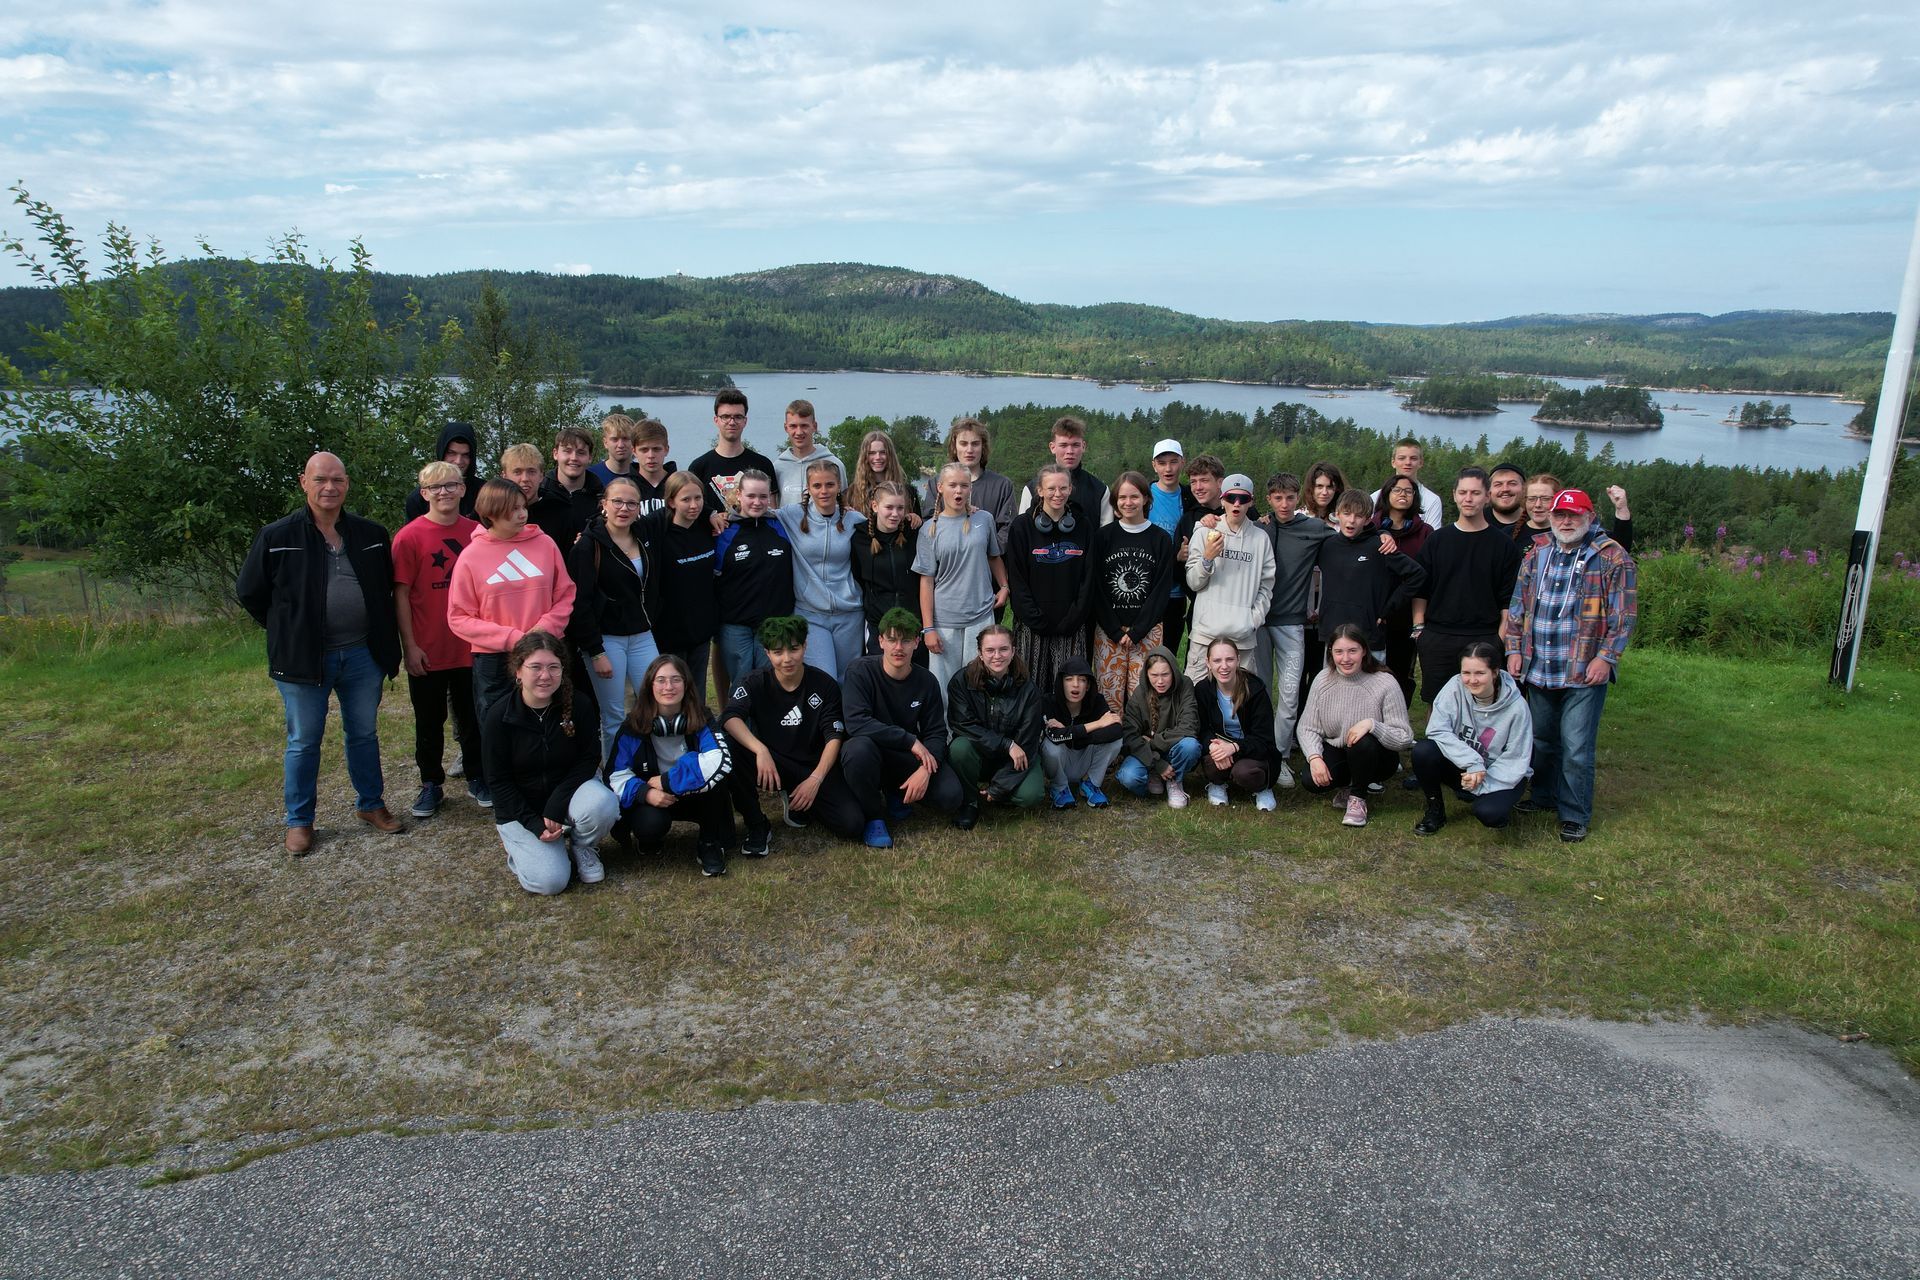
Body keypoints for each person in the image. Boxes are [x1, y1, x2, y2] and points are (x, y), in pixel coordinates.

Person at [237, 451, 404, 853]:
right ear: (303, 482)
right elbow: (250, 592)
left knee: (363, 733)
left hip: (362, 654)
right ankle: (300, 821)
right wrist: (288, 629)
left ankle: (371, 804)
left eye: (337, 480)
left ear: (347, 484)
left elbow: (385, 588)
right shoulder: (277, 537)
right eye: (320, 480)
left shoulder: (371, 534)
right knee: (304, 740)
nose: (330, 487)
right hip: (304, 659)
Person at [1504, 488, 1637, 843]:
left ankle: (1574, 814)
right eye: (1560, 515)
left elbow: (1624, 617)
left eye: (1573, 515)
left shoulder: (1611, 556)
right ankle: (1543, 796)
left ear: (1589, 518)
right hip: (1539, 665)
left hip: (1583, 669)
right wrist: (1514, 650)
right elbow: (1517, 607)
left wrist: (1606, 658)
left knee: (1576, 747)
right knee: (1542, 739)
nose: (1566, 521)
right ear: (1550, 517)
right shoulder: (1538, 553)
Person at [448, 477, 577, 763]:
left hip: (545, 649)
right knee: (498, 723)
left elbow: (566, 593)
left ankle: (551, 773)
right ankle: (501, 779)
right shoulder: (471, 556)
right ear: (491, 513)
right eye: (513, 509)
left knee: (551, 716)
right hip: (495, 658)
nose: (522, 514)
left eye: (523, 507)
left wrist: (543, 631)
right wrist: (514, 639)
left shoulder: (545, 544)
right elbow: (459, 617)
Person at [483, 630, 621, 894]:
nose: (545, 675)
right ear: (518, 671)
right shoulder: (499, 716)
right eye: (535, 667)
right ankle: (519, 845)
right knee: (551, 882)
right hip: (522, 809)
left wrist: (556, 806)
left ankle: (583, 847)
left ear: (562, 670)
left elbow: (589, 759)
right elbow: (498, 782)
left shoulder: (579, 704)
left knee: (603, 803)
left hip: (566, 797)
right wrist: (534, 824)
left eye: (553, 667)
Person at [720, 615, 865, 845]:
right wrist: (760, 750)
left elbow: (834, 736)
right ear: (767, 653)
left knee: (852, 824)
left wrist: (815, 780)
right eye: (778, 652)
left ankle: (801, 801)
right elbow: (730, 718)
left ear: (805, 646)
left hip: (814, 766)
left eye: (794, 649)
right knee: (729, 747)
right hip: (774, 762)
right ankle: (756, 823)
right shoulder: (754, 682)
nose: (787, 659)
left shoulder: (824, 684)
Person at [391, 460, 483, 819]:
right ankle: (431, 782)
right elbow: (401, 595)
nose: (443, 492)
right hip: (428, 647)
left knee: (473, 717)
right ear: (424, 493)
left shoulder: (477, 532)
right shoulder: (409, 537)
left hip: (470, 645)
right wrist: (410, 646)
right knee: (429, 721)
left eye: (451, 485)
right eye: (434, 487)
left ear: (463, 489)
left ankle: (478, 775)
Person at [840, 608, 965, 847]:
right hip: (872, 751)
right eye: (892, 640)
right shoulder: (859, 671)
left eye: (906, 640)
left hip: (905, 756)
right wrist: (910, 740)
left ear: (917, 643)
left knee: (950, 796)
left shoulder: (926, 680)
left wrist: (925, 770)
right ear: (880, 641)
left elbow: (936, 732)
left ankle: (897, 792)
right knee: (857, 750)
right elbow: (856, 722)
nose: (899, 648)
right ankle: (874, 817)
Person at [606, 653, 738, 877]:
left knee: (718, 785)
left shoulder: (702, 718)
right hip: (654, 798)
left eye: (676, 679)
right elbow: (614, 776)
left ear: (686, 685)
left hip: (693, 794)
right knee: (649, 825)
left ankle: (709, 844)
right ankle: (649, 838)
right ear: (650, 686)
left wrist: (668, 781)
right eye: (661, 680)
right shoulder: (633, 726)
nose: (668, 687)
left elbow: (719, 760)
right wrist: (645, 793)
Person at [566, 475, 660, 758]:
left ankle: (650, 764)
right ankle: (615, 771)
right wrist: (596, 651)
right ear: (604, 504)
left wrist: (712, 513)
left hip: (642, 635)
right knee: (614, 714)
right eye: (617, 501)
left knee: (655, 702)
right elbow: (579, 604)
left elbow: (678, 508)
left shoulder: (644, 534)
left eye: (631, 503)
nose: (624, 508)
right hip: (607, 640)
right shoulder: (587, 546)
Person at [1412, 467, 1522, 706]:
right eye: (1463, 492)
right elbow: (1421, 590)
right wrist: (1419, 630)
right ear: (1454, 495)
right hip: (1438, 637)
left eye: (1475, 493)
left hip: (1484, 636)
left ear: (1487, 496)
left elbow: (1508, 602)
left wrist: (1499, 641)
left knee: (1484, 705)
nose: (1468, 498)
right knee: (1439, 705)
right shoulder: (1436, 540)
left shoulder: (1503, 546)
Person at [1257, 472, 1333, 789]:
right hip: (1259, 622)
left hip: (1291, 623)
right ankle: (1261, 752)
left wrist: (1380, 536)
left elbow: (1349, 536)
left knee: (1289, 696)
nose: (1284, 504)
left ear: (1298, 498)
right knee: (1261, 692)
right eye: (1278, 498)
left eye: (1290, 498)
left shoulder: (1313, 528)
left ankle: (1280, 757)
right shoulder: (1260, 527)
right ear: (1269, 499)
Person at [1298, 624, 1414, 828]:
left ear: (1364, 651)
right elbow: (1307, 727)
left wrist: (1372, 725)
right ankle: (1349, 785)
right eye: (1339, 652)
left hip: (1377, 756)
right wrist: (1314, 758)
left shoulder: (1385, 682)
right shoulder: (1322, 680)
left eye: (1352, 651)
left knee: (1363, 741)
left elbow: (1404, 736)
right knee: (1310, 780)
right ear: (1330, 652)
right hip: (1339, 748)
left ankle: (1358, 797)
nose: (1346, 658)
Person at [1412, 642, 1532, 836]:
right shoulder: (1454, 687)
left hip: (1501, 772)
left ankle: (1485, 797)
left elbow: (1516, 757)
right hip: (1466, 766)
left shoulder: (1517, 707)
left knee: (1490, 814)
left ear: (1495, 672)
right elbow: (1437, 729)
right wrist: (1472, 764)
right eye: (1466, 673)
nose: (1472, 680)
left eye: (1480, 673)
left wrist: (1483, 779)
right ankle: (1435, 810)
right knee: (1423, 751)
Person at [913, 461, 1008, 696]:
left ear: (970, 489)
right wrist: (928, 628)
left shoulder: (984, 519)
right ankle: (945, 724)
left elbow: (994, 556)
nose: (958, 491)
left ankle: (980, 722)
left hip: (980, 615)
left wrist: (1004, 586)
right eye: (952, 485)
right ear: (940, 487)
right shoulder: (929, 530)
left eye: (964, 486)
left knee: (980, 684)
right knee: (945, 689)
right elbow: (926, 581)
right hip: (945, 620)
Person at [1089, 470, 1178, 710]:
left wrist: (1138, 630)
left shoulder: (1160, 539)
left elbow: (1161, 590)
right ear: (1115, 501)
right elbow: (1096, 587)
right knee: (1108, 694)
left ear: (1146, 499)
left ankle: (1144, 733)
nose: (1128, 503)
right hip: (1109, 631)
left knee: (1146, 694)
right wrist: (1115, 630)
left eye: (1134, 497)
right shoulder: (1103, 537)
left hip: (1148, 630)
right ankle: (1112, 732)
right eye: (1122, 497)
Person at [944, 624, 1047, 828]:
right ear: (980, 653)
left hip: (1014, 758)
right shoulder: (961, 682)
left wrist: (1000, 787)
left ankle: (998, 792)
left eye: (1003, 649)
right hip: (978, 754)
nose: (997, 656)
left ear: (1013, 651)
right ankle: (970, 802)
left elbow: (1028, 741)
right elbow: (962, 724)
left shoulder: (1029, 690)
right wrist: (1006, 744)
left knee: (1032, 795)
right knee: (959, 748)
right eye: (990, 650)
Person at [1005, 463, 1095, 695]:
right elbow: (1017, 579)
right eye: (1051, 488)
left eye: (1063, 488)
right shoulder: (1022, 527)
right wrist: (1035, 619)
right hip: (1032, 626)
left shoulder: (1083, 526)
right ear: (1040, 490)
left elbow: (1088, 579)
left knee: (1069, 691)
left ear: (1070, 489)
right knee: (1029, 688)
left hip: (1071, 626)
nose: (1058, 494)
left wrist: (1073, 618)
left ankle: (1065, 721)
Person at [776, 458, 867, 679]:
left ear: (839, 486)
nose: (824, 491)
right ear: (808, 488)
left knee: (848, 678)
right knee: (824, 677)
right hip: (810, 613)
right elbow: (755, 511)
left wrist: (910, 519)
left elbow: (883, 527)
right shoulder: (791, 515)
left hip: (849, 612)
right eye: (817, 485)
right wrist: (714, 515)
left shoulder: (855, 520)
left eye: (830, 485)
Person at [1314, 489, 1425, 662]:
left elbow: (1417, 575)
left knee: (1371, 680)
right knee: (1333, 680)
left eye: (1358, 516)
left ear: (1367, 519)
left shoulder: (1379, 546)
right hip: (1333, 635)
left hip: (1369, 637)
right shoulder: (1326, 545)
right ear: (1337, 514)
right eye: (1347, 513)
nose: (1352, 520)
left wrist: (1388, 609)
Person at [1183, 472, 1275, 682]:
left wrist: (1252, 620)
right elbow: (1193, 583)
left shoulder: (1260, 539)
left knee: (1241, 697)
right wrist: (1207, 558)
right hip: (1205, 635)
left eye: (1243, 498)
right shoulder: (1204, 532)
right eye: (1231, 497)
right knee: (1196, 695)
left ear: (1251, 501)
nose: (1237, 503)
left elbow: (1267, 585)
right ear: (1222, 499)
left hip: (1242, 638)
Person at [637, 471, 720, 697]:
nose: (694, 505)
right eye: (686, 499)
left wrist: (710, 512)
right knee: (670, 693)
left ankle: (697, 722)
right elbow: (619, 526)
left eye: (698, 498)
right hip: (669, 632)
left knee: (697, 694)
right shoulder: (657, 530)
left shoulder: (706, 527)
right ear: (671, 501)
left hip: (701, 630)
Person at [713, 469, 793, 682]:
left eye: (763, 496)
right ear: (739, 495)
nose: (757, 502)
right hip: (735, 625)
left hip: (775, 622)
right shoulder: (724, 530)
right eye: (751, 496)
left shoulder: (781, 525)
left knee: (772, 682)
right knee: (742, 683)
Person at [1192, 637, 1277, 810]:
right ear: (1208, 663)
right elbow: (1202, 729)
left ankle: (1262, 788)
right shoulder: (1202, 690)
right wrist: (1213, 746)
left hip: (1252, 751)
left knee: (1244, 772)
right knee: (1211, 762)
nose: (1224, 666)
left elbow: (1264, 740)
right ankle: (1217, 783)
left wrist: (1234, 747)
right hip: (1221, 746)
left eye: (1229, 659)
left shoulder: (1255, 690)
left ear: (1238, 660)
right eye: (1217, 660)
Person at [1372, 475, 1434, 707]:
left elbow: (1426, 574)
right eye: (1397, 490)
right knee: (1371, 672)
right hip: (1376, 613)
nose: (1403, 495)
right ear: (1386, 493)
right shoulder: (1371, 528)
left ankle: (1398, 720)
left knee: (1401, 674)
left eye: (1408, 491)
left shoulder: (1425, 532)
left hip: (1407, 614)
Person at [1116, 645, 1201, 808]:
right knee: (1128, 776)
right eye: (1154, 675)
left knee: (1190, 746)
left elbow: (1189, 726)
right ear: (1146, 674)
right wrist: (1157, 763)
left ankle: (1174, 781)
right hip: (1147, 754)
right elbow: (1130, 735)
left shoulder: (1185, 685)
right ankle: (1152, 776)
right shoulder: (1140, 694)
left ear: (1173, 672)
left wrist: (1152, 742)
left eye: (1165, 674)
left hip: (1172, 748)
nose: (1160, 681)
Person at [1040, 656, 1126, 809]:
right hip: (1061, 761)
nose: (1076, 684)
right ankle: (1059, 787)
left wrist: (1070, 734)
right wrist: (1098, 724)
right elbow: (1054, 735)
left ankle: (1090, 784)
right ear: (1061, 683)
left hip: (1086, 760)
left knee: (1115, 741)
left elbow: (1116, 730)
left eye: (1082, 680)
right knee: (1050, 746)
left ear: (1088, 685)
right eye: (1069, 679)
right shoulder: (1048, 702)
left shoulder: (1097, 701)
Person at [850, 480, 923, 659]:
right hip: (879, 623)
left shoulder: (913, 533)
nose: (895, 514)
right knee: (879, 671)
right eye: (889, 507)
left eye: (900, 508)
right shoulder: (860, 538)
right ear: (875, 506)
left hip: (912, 621)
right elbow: (858, 575)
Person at [928, 418, 1016, 551]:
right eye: (963, 444)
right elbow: (929, 523)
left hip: (988, 560)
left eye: (975, 444)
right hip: (947, 560)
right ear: (954, 446)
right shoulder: (936, 483)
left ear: (983, 447)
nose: (969, 450)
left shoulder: (1002, 486)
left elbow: (1008, 529)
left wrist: (983, 553)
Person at [688, 390, 777, 519]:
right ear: (716, 420)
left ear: (745, 421)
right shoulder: (699, 467)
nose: (732, 422)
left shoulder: (762, 465)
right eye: (725, 416)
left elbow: (772, 512)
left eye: (738, 417)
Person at [1016, 415, 1111, 523]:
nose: (1070, 451)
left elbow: (1107, 532)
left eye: (1075, 445)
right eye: (1063, 445)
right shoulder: (1032, 489)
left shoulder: (1100, 491)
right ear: (1052, 447)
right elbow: (1022, 528)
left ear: (1083, 446)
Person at [1146, 438, 1193, 655]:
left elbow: (1222, 504)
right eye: (1162, 463)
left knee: (1169, 654)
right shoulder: (1143, 496)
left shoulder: (1190, 497)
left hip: (1176, 591)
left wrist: (1260, 518)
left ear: (1182, 462)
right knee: (1144, 654)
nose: (1168, 469)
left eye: (1173, 462)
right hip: (1147, 589)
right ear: (1154, 465)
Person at [402, 421, 482, 520]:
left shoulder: (485, 494)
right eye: (452, 453)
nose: (458, 461)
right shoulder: (418, 500)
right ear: (442, 452)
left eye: (466, 455)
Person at [772, 399, 846, 507]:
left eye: (804, 426)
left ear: (814, 426)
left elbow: (844, 504)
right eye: (793, 426)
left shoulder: (835, 464)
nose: (799, 432)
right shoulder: (777, 467)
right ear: (786, 427)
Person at [846, 430, 923, 531]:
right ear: (865, 457)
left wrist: (915, 519)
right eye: (872, 453)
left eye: (883, 452)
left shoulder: (908, 492)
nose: (877, 457)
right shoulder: (853, 492)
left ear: (890, 456)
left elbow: (917, 530)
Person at [1368, 438, 1443, 528]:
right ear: (1393, 462)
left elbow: (1433, 535)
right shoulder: (1375, 498)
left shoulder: (1432, 500)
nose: (1408, 462)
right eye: (1402, 458)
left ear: (1421, 462)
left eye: (1413, 458)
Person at [624, 418, 677, 516]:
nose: (651, 455)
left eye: (656, 449)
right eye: (644, 450)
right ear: (634, 451)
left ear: (666, 450)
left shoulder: (679, 485)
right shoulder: (624, 487)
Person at [588, 413, 638, 487]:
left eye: (626, 439)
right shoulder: (589, 476)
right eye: (615, 439)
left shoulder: (644, 476)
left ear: (634, 441)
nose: (620, 445)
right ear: (605, 442)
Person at [1486, 462, 1527, 535]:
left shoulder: (1537, 520)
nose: (1505, 489)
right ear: (1489, 490)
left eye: (1512, 483)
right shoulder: (1475, 522)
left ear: (1524, 488)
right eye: (1498, 484)